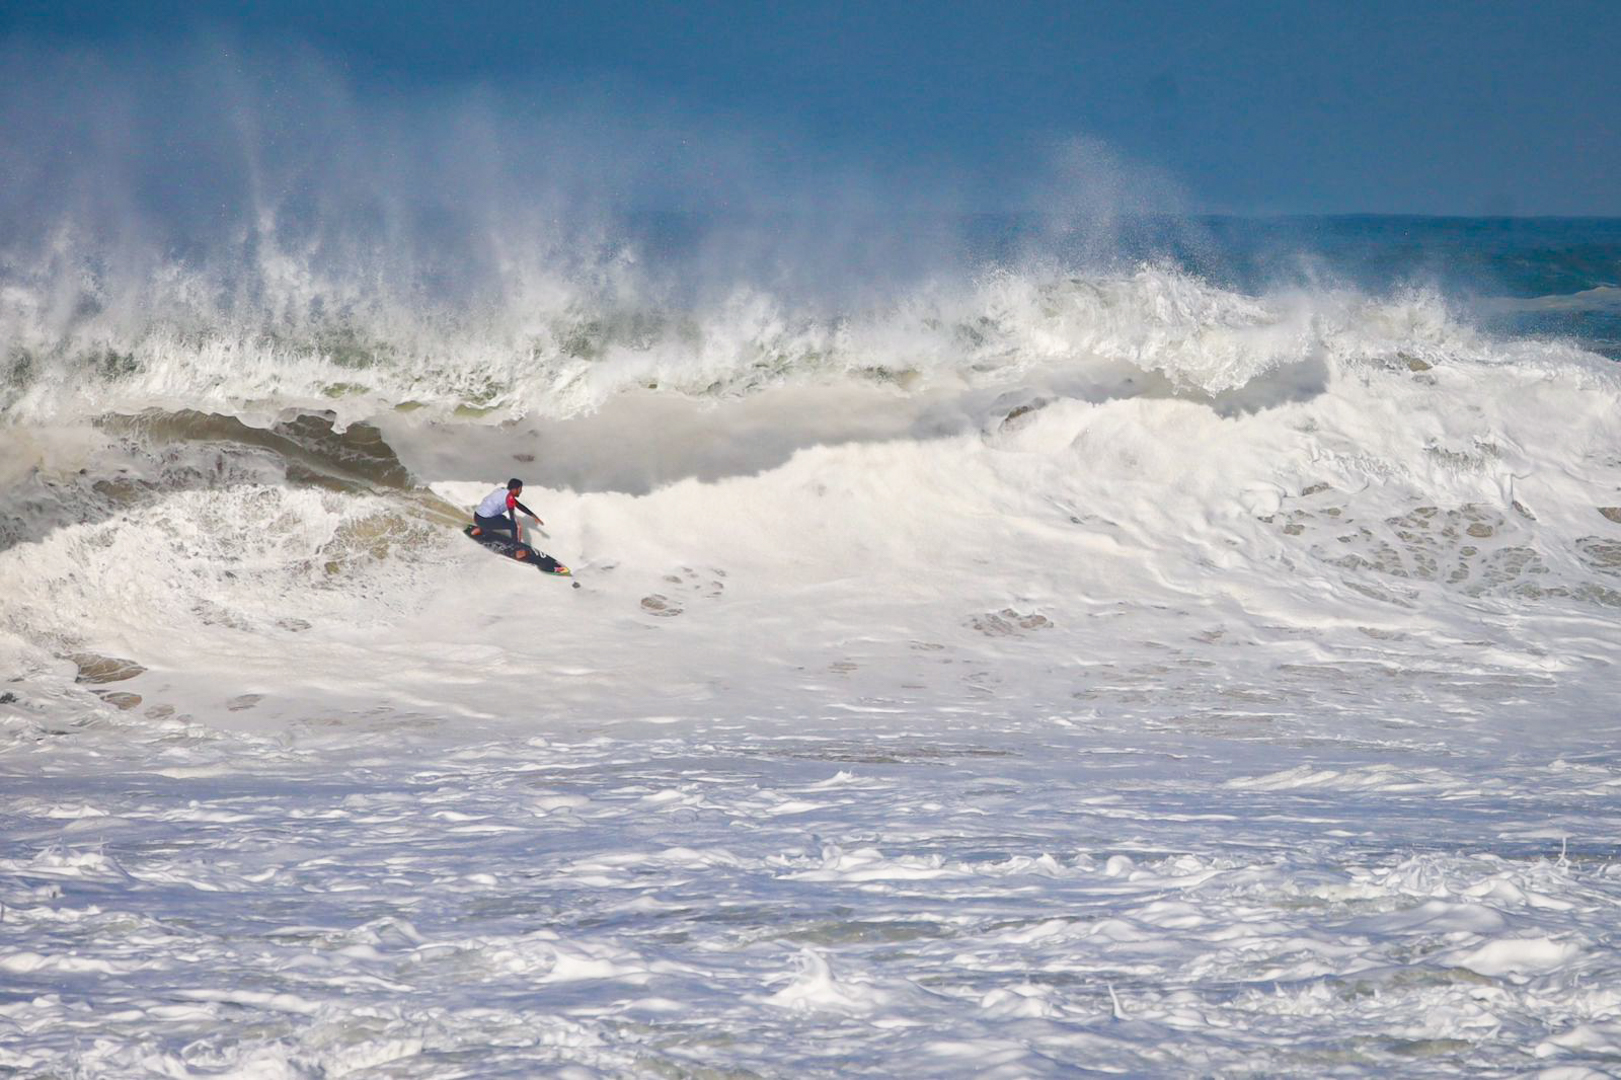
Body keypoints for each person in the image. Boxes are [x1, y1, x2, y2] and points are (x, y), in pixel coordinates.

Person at [472, 478, 543, 543]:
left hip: (476, 516)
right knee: (516, 526)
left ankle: (481, 529)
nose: (521, 491)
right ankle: (517, 549)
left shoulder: (501, 489)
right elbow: (512, 519)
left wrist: (534, 516)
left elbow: (519, 505)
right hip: (485, 521)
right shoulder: (509, 498)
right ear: (515, 489)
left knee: (500, 517)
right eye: (520, 489)